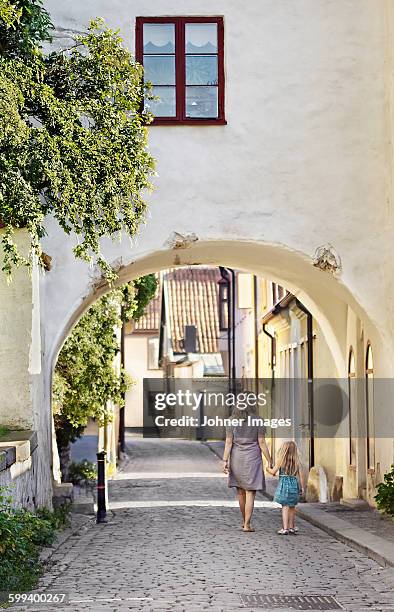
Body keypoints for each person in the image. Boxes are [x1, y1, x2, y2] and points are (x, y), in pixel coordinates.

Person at [222, 407, 272, 532]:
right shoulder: (258, 420)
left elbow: (228, 442)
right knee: (250, 492)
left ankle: (245, 521)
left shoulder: (231, 421)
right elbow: (261, 442)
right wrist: (270, 460)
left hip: (237, 458)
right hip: (252, 458)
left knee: (240, 492)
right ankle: (247, 524)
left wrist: (225, 460)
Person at [266, 440, 305, 535]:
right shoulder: (297, 462)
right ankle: (291, 527)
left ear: (284, 450)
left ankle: (285, 528)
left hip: (284, 485)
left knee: (285, 506)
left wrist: (267, 468)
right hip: (294, 485)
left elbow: (273, 472)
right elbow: (302, 476)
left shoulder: (281, 461)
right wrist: (302, 487)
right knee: (292, 506)